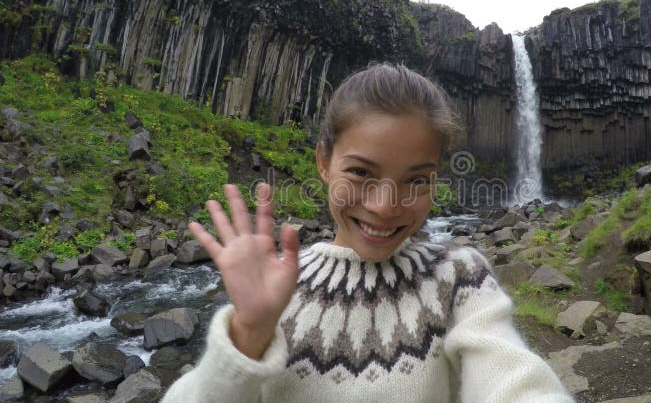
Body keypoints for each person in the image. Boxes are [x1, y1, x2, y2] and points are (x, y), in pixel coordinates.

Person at [162, 64, 573, 402]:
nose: (385, 206)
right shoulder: (274, 289)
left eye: (417, 181)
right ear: (324, 162)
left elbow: (514, 380)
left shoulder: (460, 279)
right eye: (360, 172)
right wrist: (249, 334)